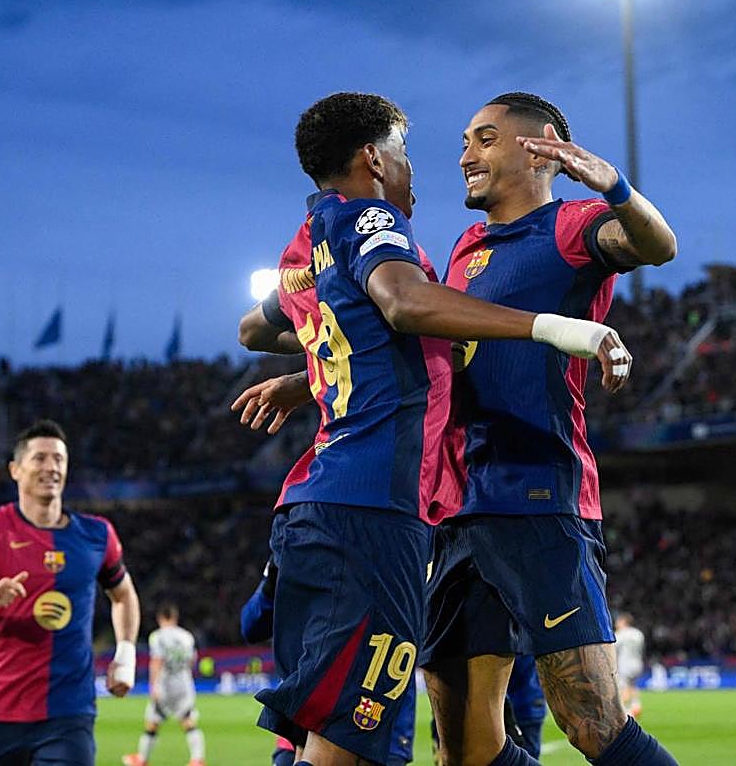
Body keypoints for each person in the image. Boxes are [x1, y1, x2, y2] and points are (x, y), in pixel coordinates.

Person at [235, 92, 672, 766]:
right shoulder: (466, 249)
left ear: (540, 146)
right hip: (455, 510)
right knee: (466, 745)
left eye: (486, 138)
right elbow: (435, 348)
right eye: (465, 139)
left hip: (537, 496)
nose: (465, 153)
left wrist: (612, 185)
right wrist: (310, 379)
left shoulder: (571, 225)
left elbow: (655, 245)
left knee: (593, 722)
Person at [0, 418, 141, 766]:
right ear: (15, 469)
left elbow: (123, 595)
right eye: (40, 458)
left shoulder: (97, 534)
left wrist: (126, 655)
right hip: (1, 710)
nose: (51, 467)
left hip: (70, 713)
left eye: (59, 459)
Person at [240, 563, 416, 766]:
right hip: (307, 725)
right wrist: (273, 579)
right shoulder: (300, 547)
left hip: (378, 723)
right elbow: (251, 626)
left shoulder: (402, 550)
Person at [124, 603, 207, 766]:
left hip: (165, 685)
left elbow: (157, 661)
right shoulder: (187, 636)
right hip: (184, 684)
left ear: (160, 618)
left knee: (152, 723)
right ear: (175, 617)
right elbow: (191, 661)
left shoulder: (157, 637)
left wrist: (152, 685)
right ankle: (197, 760)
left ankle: (142, 759)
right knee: (188, 721)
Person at [614, 613, 645, 719]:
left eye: (618, 621)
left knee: (624, 688)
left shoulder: (621, 634)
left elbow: (612, 648)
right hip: (638, 663)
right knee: (633, 686)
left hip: (625, 664)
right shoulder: (638, 633)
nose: (616, 623)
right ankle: (636, 705)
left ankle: (621, 713)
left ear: (624, 622)